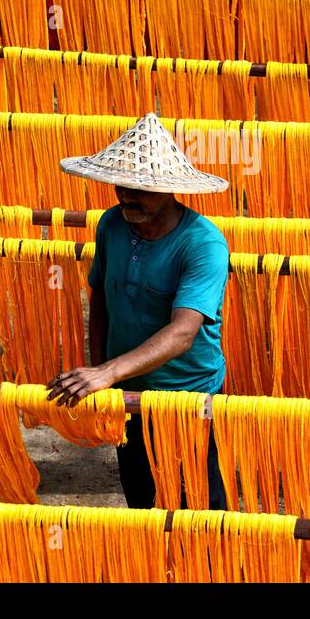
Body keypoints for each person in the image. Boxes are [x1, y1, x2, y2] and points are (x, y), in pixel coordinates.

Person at [46, 113, 230, 510]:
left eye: (141, 189)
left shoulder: (203, 244)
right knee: (141, 503)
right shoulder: (112, 224)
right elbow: (100, 298)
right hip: (127, 397)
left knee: (200, 506)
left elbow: (184, 332)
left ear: (169, 190)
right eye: (121, 186)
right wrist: (102, 372)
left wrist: (108, 372)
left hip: (188, 397)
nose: (127, 196)